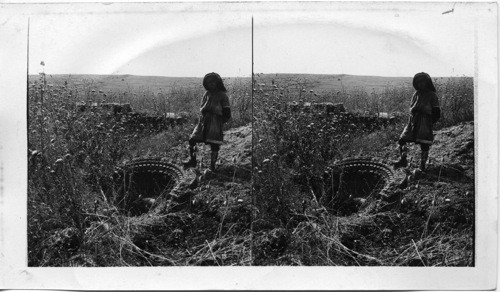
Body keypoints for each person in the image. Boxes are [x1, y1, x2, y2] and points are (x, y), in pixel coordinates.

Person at [183, 72, 231, 171]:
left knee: (214, 144)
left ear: (218, 83)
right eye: (209, 83)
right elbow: (202, 106)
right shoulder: (207, 93)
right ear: (206, 84)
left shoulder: (222, 96)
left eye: (213, 82)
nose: (211, 84)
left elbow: (227, 113)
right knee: (192, 139)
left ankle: (212, 166)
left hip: (215, 122)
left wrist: (219, 123)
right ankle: (193, 160)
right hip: (203, 121)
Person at [394, 72, 441, 171]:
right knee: (402, 140)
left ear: (427, 82)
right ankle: (403, 160)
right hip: (412, 122)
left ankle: (423, 166)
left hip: (425, 122)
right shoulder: (416, 94)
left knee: (424, 145)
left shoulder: (432, 95)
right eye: (418, 82)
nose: (420, 84)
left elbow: (437, 113)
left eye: (423, 82)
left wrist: (428, 124)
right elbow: (412, 108)